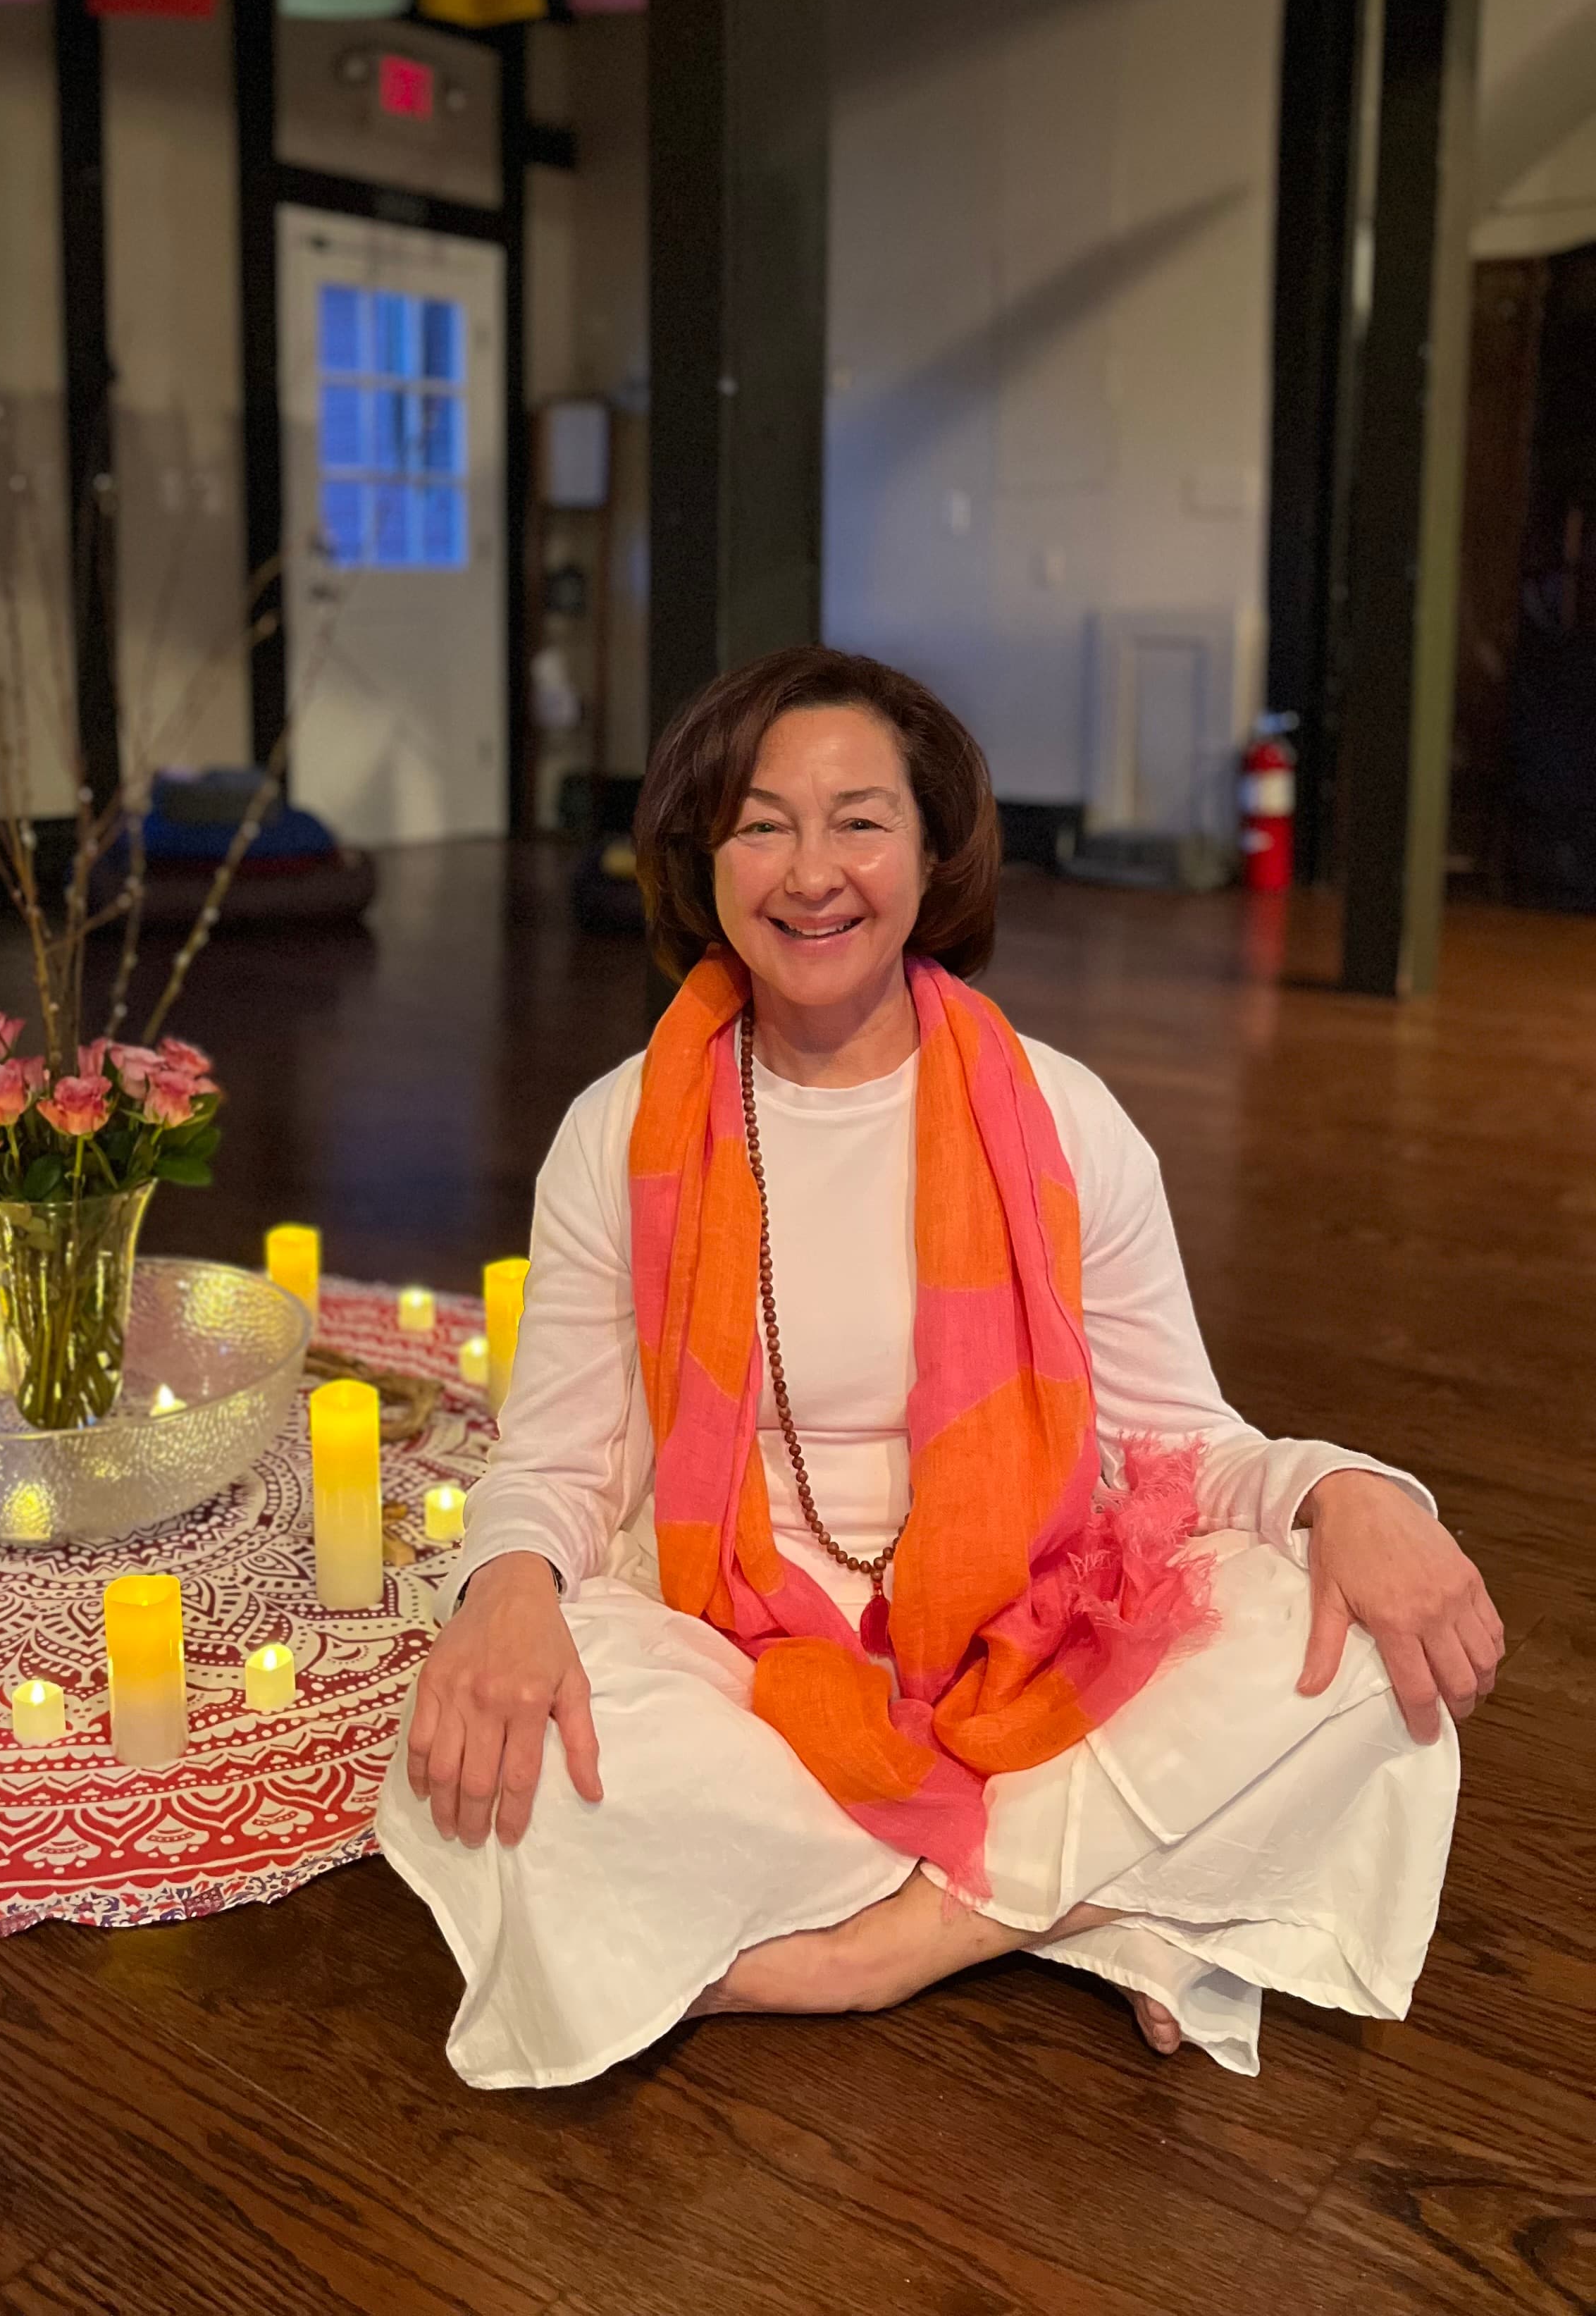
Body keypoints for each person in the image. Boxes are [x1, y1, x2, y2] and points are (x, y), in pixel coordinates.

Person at [377, 646, 1501, 2090]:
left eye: (860, 820)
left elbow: (1184, 1441)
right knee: (514, 1758)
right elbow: (556, 1461)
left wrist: (1345, 1491)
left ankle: (877, 1949)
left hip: (1033, 1618)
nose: (811, 872)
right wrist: (507, 1595)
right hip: (747, 1645)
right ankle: (1098, 1893)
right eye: (761, 824)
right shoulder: (623, 1129)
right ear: (702, 860)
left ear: (931, 852)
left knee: (1349, 1658)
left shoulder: (1060, 1114)